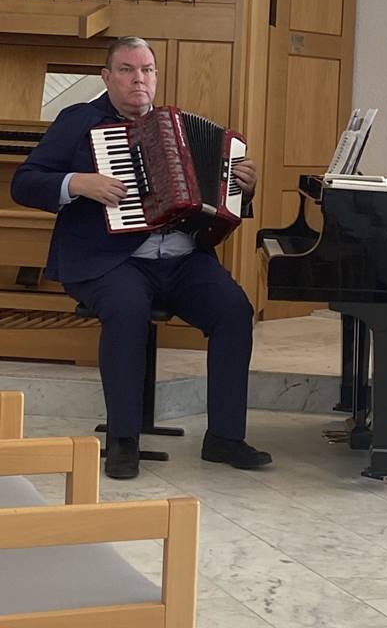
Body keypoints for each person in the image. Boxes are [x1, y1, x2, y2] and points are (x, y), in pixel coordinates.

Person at [11, 36, 272, 479]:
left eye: (147, 70)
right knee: (127, 309)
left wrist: (242, 187)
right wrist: (79, 183)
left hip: (183, 259)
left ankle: (224, 437)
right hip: (110, 259)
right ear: (106, 77)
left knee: (234, 310)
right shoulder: (80, 121)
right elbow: (24, 182)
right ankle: (123, 439)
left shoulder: (177, 128)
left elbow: (219, 203)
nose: (139, 79)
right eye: (127, 70)